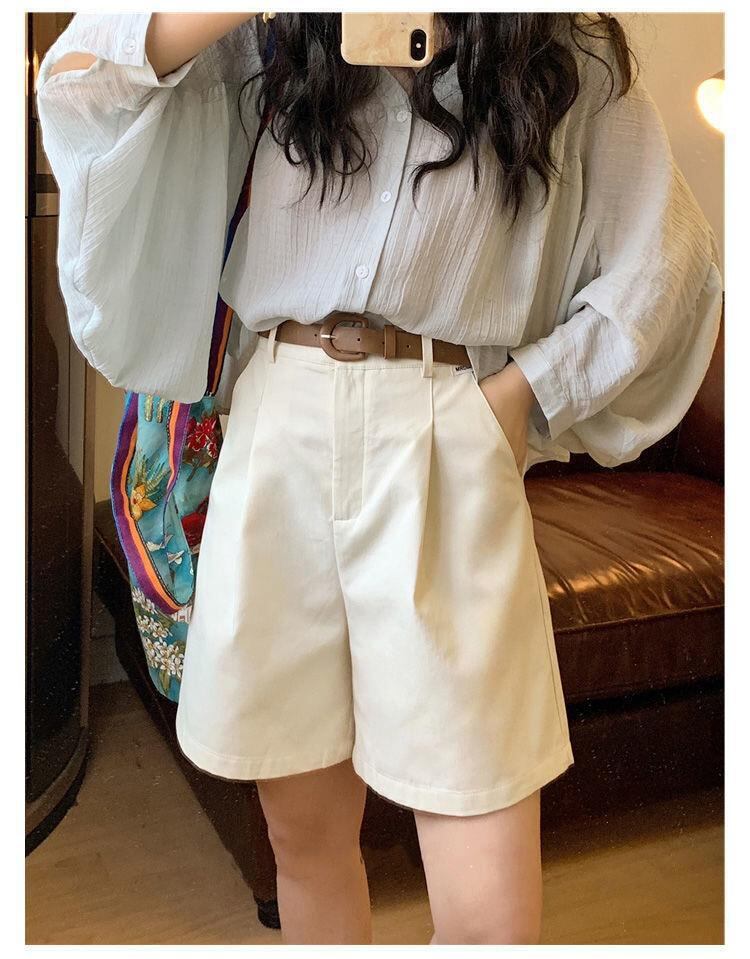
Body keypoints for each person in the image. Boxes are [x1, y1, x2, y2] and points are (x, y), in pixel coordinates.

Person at [36, 12, 723, 946]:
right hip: (281, 421)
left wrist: (524, 395)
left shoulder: (564, 50)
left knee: (489, 910)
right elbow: (82, 80)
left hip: (446, 427)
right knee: (304, 841)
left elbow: (671, 266)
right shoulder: (276, 38)